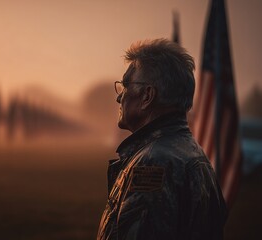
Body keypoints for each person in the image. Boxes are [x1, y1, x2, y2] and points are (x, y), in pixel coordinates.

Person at [97, 39, 227, 240]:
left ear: (147, 96)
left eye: (125, 85)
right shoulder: (191, 151)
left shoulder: (153, 164)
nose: (119, 97)